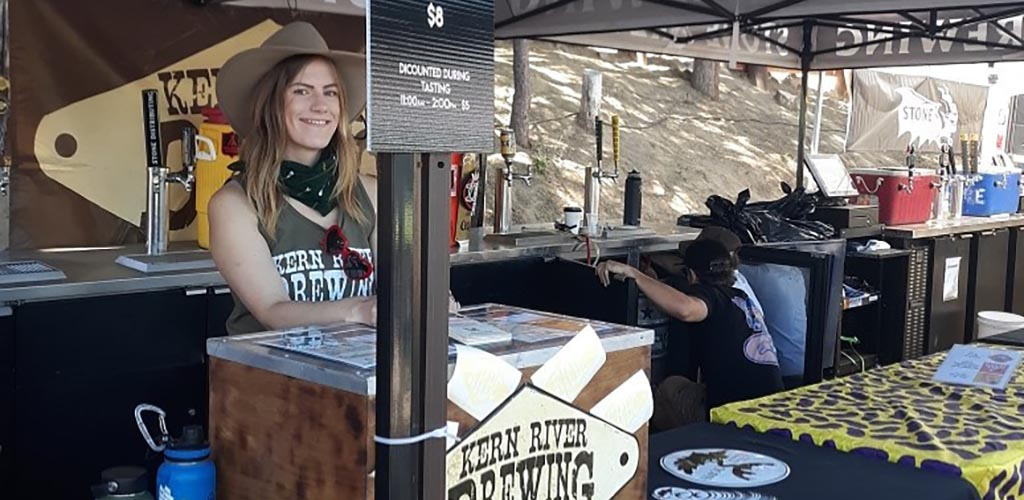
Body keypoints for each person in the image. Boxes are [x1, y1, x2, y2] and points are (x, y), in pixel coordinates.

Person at [209, 22, 380, 335]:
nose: (320, 105)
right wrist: (359, 309)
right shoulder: (234, 205)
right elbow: (273, 311)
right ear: (270, 105)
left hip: (363, 374)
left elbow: (402, 287)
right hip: (273, 378)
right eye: (302, 91)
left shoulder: (369, 193)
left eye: (331, 93)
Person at [596, 239, 784, 409]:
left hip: (736, 412)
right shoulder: (740, 297)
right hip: (769, 403)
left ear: (691, 275)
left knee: (668, 389)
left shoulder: (711, 296)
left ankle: (659, 443)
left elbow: (685, 309)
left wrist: (635, 274)